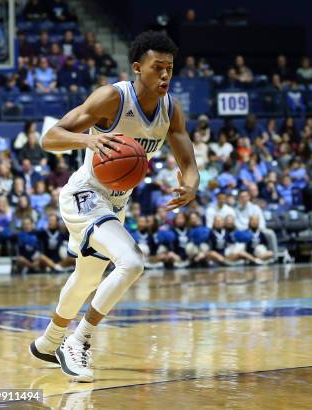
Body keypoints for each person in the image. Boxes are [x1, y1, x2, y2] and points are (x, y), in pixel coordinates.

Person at [29, 31, 199, 383]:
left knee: (87, 277)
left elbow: (188, 162)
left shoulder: (170, 110)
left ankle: (49, 342)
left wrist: (190, 186)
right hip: (84, 194)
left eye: (170, 68)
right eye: (157, 68)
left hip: (116, 203)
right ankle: (79, 341)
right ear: (138, 68)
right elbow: (49, 138)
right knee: (132, 262)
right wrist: (87, 138)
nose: (165, 75)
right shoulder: (111, 97)